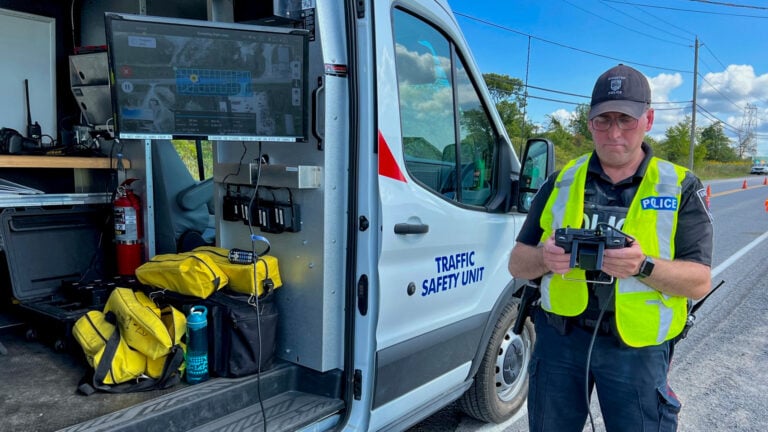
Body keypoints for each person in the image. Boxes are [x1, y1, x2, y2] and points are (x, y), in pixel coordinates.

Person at [509, 64, 713, 431]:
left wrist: (642, 265)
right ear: (590, 123)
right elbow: (517, 263)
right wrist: (544, 257)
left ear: (648, 119)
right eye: (603, 120)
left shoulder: (680, 186)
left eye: (626, 120)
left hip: (637, 349)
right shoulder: (560, 181)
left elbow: (699, 282)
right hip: (560, 340)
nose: (614, 132)